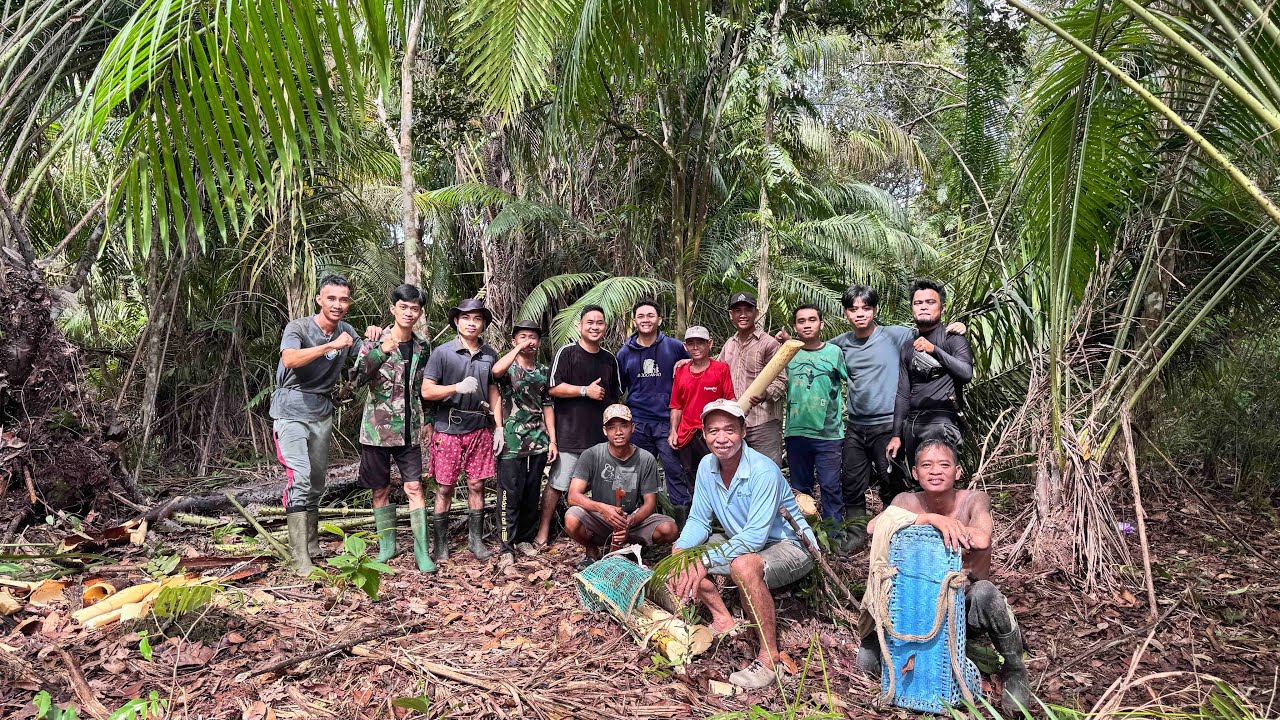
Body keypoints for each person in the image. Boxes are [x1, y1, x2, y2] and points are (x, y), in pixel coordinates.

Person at [858, 439, 1029, 712]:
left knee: (986, 593)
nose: (935, 471)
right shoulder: (906, 500)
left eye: (944, 465)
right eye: (926, 465)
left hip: (963, 604)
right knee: (866, 664)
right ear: (915, 473)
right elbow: (873, 526)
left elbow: (982, 537)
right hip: (914, 609)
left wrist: (952, 525)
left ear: (958, 471)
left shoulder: (973, 499)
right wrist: (931, 519)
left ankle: (1015, 668)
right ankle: (896, 655)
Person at [667, 400, 817, 690]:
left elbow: (755, 538)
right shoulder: (706, 466)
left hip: (790, 545)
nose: (721, 438)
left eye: (729, 430)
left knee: (742, 565)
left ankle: (769, 657)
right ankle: (723, 619)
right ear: (704, 435)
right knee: (685, 553)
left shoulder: (763, 471)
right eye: (713, 431)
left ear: (743, 431)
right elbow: (699, 519)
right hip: (745, 540)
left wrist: (706, 561)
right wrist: (681, 551)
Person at [827, 285, 966, 550]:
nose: (860, 314)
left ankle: (895, 536)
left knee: (892, 481)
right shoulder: (840, 344)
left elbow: (931, 331)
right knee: (851, 481)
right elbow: (816, 349)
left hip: (888, 424)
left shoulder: (896, 335)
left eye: (866, 308)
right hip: (856, 425)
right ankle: (857, 535)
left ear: (874, 310)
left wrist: (957, 327)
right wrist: (788, 341)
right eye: (853, 309)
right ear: (845, 313)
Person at [270, 274, 377, 575]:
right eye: (331, 298)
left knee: (316, 482)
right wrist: (329, 346)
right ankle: (298, 557)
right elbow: (289, 359)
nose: (337, 304)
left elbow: (366, 363)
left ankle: (313, 544)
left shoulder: (347, 331)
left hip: (321, 412)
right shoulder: (299, 327)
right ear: (319, 299)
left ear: (349, 303)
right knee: (300, 478)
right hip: (290, 411)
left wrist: (373, 339)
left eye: (343, 299)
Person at [352, 284, 435, 573]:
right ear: (393, 309)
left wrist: (430, 420)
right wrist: (381, 352)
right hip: (376, 430)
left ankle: (422, 553)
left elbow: (427, 386)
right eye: (404, 307)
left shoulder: (423, 348)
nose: (409, 312)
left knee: (414, 487)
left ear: (420, 312)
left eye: (415, 308)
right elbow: (356, 378)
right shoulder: (372, 341)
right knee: (380, 490)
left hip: (410, 430)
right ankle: (388, 547)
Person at [534, 305, 623, 546]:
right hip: (570, 436)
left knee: (604, 489)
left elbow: (615, 399)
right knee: (557, 484)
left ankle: (597, 535)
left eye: (599, 323)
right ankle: (543, 532)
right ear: (579, 326)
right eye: (590, 322)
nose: (595, 327)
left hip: (600, 441)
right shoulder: (567, 353)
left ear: (605, 327)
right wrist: (585, 391)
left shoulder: (609, 359)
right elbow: (552, 388)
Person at [421, 299, 501, 563]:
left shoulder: (489, 354)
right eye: (466, 318)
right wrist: (455, 388)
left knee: (477, 485)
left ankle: (475, 541)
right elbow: (427, 390)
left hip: (479, 428)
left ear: (483, 324)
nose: (471, 323)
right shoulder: (442, 353)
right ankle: (441, 545)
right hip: (448, 429)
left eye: (477, 319)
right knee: (444, 488)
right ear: (457, 321)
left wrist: (498, 427)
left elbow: (493, 389)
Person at [564, 404, 679, 563]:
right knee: (571, 518)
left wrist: (630, 520)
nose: (618, 432)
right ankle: (591, 547)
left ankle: (632, 546)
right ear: (605, 431)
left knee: (669, 528)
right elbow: (573, 496)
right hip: (601, 518)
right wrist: (603, 509)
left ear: (633, 427)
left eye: (624, 426)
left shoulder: (645, 458)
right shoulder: (592, 454)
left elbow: (650, 503)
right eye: (612, 427)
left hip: (632, 520)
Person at [615, 300, 691, 522]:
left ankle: (681, 529)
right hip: (638, 422)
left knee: (675, 472)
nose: (646, 320)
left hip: (668, 422)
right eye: (641, 316)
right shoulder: (624, 353)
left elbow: (690, 377)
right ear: (635, 321)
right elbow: (621, 387)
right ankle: (630, 526)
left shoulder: (675, 347)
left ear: (659, 319)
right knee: (633, 473)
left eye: (650, 315)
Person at [887, 280, 973, 470]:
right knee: (916, 482)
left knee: (939, 481)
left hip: (942, 422)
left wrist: (934, 350)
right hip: (912, 424)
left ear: (942, 307)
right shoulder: (908, 346)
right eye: (918, 303)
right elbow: (902, 393)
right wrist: (896, 434)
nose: (923, 307)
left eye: (930, 302)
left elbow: (966, 374)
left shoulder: (953, 339)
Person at [491, 319, 557, 560]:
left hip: (538, 440)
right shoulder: (508, 367)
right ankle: (506, 547)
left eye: (533, 337)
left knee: (531, 492)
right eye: (522, 336)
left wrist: (553, 439)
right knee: (510, 493)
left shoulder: (542, 371)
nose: (529, 341)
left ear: (539, 342)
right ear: (513, 340)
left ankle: (524, 539)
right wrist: (518, 349)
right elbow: (495, 371)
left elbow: (547, 404)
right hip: (511, 441)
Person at [783, 305, 847, 530]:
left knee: (830, 486)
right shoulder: (787, 353)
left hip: (828, 434)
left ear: (821, 323)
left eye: (812, 320)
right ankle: (805, 537)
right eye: (801, 321)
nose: (807, 324)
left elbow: (852, 382)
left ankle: (834, 536)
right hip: (796, 432)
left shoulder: (834, 353)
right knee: (801, 490)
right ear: (795, 326)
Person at [668, 326, 735, 519]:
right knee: (691, 477)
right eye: (691, 343)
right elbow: (676, 405)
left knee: (717, 475)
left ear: (710, 344)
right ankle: (697, 519)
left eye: (700, 342)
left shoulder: (720, 369)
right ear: (685, 346)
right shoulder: (681, 371)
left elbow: (729, 401)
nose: (696, 347)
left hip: (711, 434)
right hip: (687, 434)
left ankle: (722, 518)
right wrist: (673, 431)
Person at [717, 291, 786, 467]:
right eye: (737, 310)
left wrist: (765, 394)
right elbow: (716, 374)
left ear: (756, 312)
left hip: (763, 422)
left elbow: (782, 380)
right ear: (730, 315)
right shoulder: (729, 344)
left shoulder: (769, 343)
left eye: (748, 310)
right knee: (738, 474)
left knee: (767, 472)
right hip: (735, 423)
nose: (743, 315)